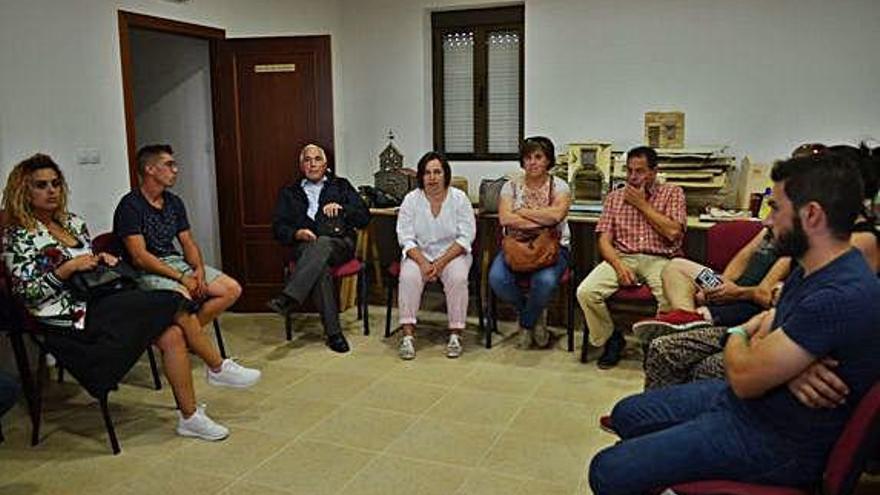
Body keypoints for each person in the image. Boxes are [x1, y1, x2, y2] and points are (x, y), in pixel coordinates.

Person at [589, 152, 880, 494]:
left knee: (606, 470)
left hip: (775, 440)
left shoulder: (838, 293)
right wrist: (783, 358)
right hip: (753, 404)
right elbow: (770, 320)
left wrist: (741, 335)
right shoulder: (813, 267)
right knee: (627, 413)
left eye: (776, 208)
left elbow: (744, 376)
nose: (768, 221)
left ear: (811, 215)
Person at [3, 154, 235, 440]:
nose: (52, 191)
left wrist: (100, 259)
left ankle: (189, 417)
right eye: (41, 185)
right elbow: (27, 292)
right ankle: (217, 366)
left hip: (96, 297)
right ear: (23, 191)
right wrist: (66, 269)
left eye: (56, 183)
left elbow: (86, 267)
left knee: (172, 333)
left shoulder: (73, 223)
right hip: (65, 314)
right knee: (170, 300)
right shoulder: (18, 237)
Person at [642, 143, 879, 390]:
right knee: (675, 267)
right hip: (739, 297)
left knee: (683, 355)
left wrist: (746, 322)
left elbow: (778, 303)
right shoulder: (791, 233)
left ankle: (694, 325)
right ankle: (689, 318)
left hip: (748, 309)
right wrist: (725, 284)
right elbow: (748, 258)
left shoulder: (831, 244)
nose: (769, 218)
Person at [113, 144, 260, 386]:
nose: (176, 170)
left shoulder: (174, 202)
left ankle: (187, 337)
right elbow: (139, 256)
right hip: (146, 270)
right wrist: (183, 279)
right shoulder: (130, 205)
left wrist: (199, 271)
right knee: (182, 297)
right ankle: (217, 366)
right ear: (150, 169)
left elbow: (187, 241)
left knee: (231, 289)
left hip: (174, 262)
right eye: (169, 165)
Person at [576, 146, 687, 368]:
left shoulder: (672, 192)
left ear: (654, 172)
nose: (633, 177)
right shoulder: (615, 197)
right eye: (629, 171)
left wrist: (641, 204)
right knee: (586, 292)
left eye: (640, 171)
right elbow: (604, 241)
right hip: (623, 256)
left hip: (661, 258)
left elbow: (674, 232)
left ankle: (654, 343)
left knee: (669, 297)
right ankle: (611, 339)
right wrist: (618, 266)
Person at [267, 143, 370, 353]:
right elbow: (278, 228)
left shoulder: (341, 186)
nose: (312, 164)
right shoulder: (289, 193)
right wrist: (296, 234)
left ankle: (289, 297)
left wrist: (343, 209)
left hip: (340, 244)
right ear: (301, 165)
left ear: (325, 164)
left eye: (317, 159)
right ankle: (334, 334)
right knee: (319, 266)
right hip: (305, 247)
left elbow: (364, 217)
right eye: (307, 159)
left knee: (322, 243)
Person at [488, 137, 571, 349]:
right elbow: (505, 219)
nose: (532, 162)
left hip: (552, 248)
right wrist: (541, 219)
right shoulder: (511, 186)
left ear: (548, 161)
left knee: (544, 282)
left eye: (538, 157)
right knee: (497, 279)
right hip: (516, 246)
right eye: (527, 157)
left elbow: (557, 216)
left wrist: (523, 212)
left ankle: (526, 323)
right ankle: (534, 313)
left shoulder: (559, 186)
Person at [395, 151, 476, 360]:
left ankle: (455, 334)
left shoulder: (459, 199)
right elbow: (405, 237)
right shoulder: (411, 200)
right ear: (421, 176)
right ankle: (407, 336)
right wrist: (423, 262)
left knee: (458, 278)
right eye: (427, 173)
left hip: (453, 255)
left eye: (437, 172)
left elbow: (466, 236)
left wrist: (440, 263)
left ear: (445, 174)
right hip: (418, 255)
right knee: (407, 277)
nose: (432, 177)